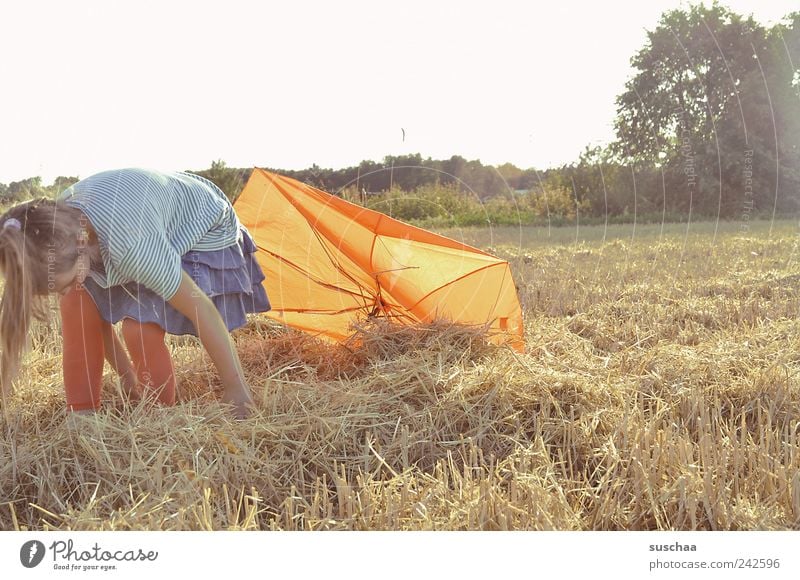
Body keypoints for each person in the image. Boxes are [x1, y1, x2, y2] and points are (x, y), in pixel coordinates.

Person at [0, 168, 271, 418]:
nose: (66, 290)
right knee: (76, 305)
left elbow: (201, 309)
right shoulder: (54, 230)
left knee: (141, 327)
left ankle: (156, 414)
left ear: (81, 247)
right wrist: (126, 377)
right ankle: (82, 413)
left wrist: (237, 391)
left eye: (66, 282)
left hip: (202, 225)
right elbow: (97, 323)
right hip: (136, 219)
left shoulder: (133, 248)